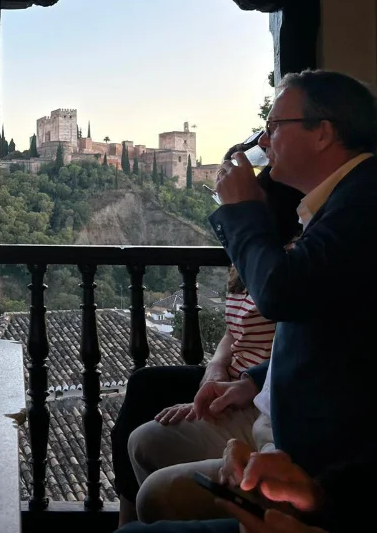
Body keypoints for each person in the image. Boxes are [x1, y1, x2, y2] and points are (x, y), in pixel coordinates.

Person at [115, 75, 377, 533]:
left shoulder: (375, 204)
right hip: (290, 417)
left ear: (323, 132)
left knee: (156, 495)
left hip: (331, 448)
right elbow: (337, 324)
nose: (265, 140)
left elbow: (281, 293)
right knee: (147, 442)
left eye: (275, 125)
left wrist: (242, 211)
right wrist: (253, 379)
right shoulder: (343, 203)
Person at [112, 164, 301, 525]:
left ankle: (145, 519)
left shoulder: (287, 268)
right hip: (231, 377)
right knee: (143, 386)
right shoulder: (249, 257)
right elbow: (232, 332)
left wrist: (235, 386)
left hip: (250, 389)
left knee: (147, 409)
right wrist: (214, 368)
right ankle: (129, 518)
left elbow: (283, 351)